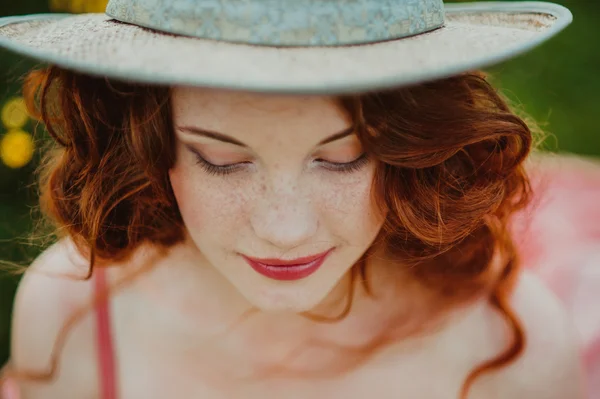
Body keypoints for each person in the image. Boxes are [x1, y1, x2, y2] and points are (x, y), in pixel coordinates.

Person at [0, 0, 588, 398]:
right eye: (223, 160)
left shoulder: (514, 354)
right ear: (146, 141)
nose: (284, 229)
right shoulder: (72, 320)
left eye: (342, 157)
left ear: (413, 146)